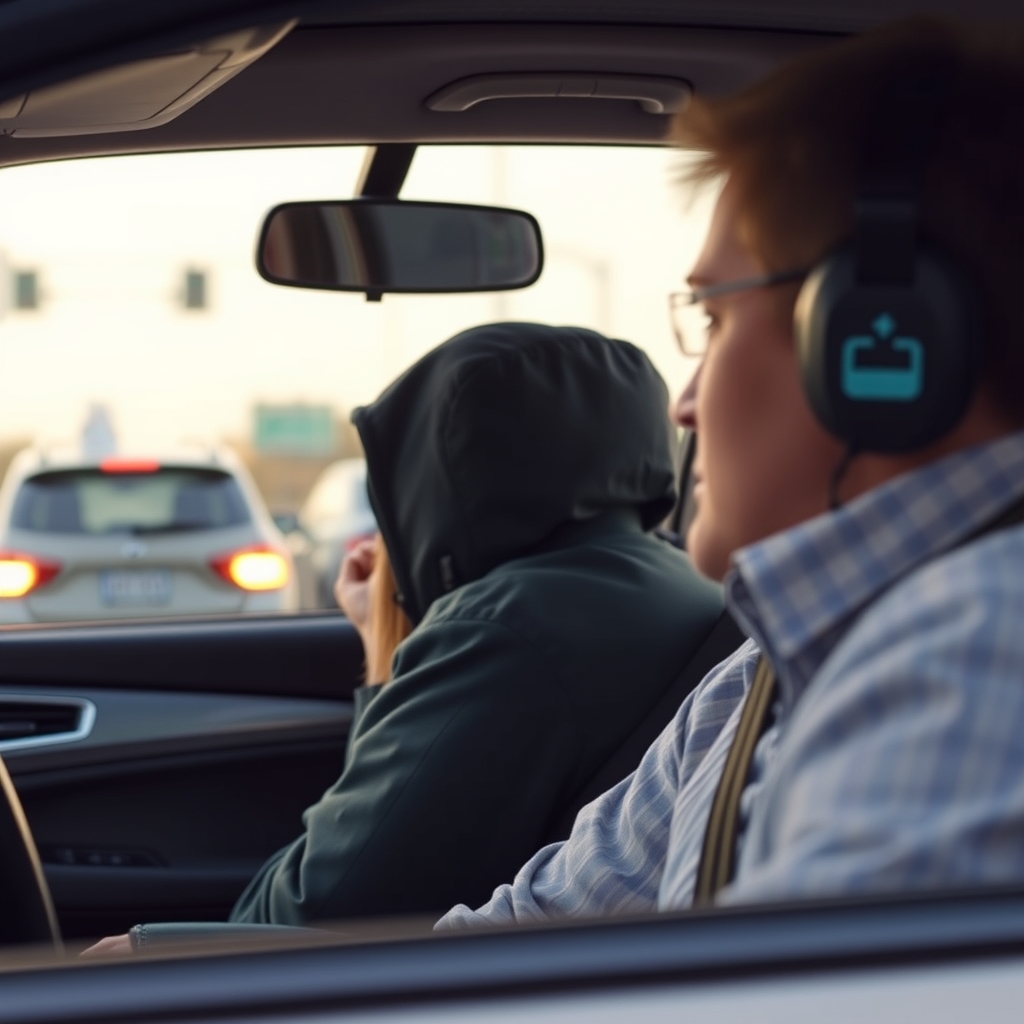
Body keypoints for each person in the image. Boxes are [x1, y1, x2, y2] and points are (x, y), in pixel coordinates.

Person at [438, 17, 1024, 928]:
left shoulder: (978, 659)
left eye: (711, 319)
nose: (685, 402)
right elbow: (516, 942)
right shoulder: (753, 679)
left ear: (884, 343)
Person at [218, 320, 727, 925]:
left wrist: (159, 948)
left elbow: (319, 906)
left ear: (437, 478)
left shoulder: (499, 628)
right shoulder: (685, 579)